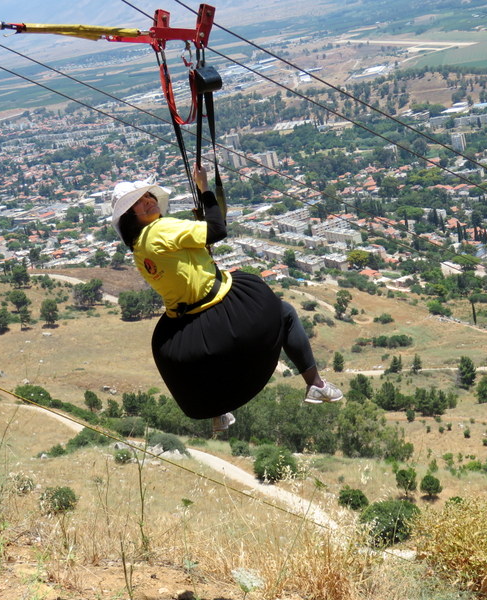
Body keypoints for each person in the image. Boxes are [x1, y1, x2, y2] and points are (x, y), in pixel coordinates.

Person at [112, 166, 342, 432]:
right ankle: (315, 384)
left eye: (148, 196)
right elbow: (218, 229)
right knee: (285, 312)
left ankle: (218, 412)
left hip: (185, 321)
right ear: (130, 215)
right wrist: (205, 189)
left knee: (205, 364)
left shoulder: (139, 247)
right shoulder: (163, 228)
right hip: (219, 307)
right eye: (138, 201)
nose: (148, 200)